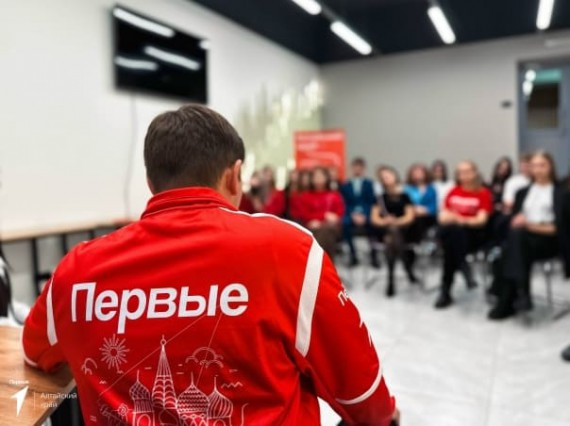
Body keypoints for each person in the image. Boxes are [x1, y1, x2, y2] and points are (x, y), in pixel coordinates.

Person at [22, 105, 397, 425]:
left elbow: (35, 353)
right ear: (235, 175)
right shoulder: (289, 251)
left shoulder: (77, 269)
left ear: (152, 182)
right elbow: (363, 396)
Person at [488, 151, 570, 319]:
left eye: (542, 165)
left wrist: (529, 225)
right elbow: (514, 220)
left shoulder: (561, 194)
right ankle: (521, 295)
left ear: (551, 167)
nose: (537, 170)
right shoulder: (522, 192)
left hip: (549, 242)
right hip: (523, 243)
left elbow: (559, 229)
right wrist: (516, 220)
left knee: (510, 247)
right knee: (515, 241)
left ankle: (510, 296)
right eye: (534, 166)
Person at [435, 161, 493, 309]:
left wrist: (459, 219)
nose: (464, 175)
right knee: (451, 232)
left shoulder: (483, 193)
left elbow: (481, 220)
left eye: (467, 171)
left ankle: (445, 291)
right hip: (452, 235)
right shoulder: (453, 191)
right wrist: (456, 219)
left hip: (472, 236)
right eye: (460, 172)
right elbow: (442, 217)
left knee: (451, 241)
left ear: (475, 173)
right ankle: (463, 266)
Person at [370, 166, 416, 297]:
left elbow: (410, 216)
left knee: (392, 237)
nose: (387, 178)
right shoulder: (379, 198)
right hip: (384, 230)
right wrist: (385, 221)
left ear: (395, 176)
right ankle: (406, 266)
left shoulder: (405, 196)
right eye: (383, 177)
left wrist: (395, 221)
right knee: (391, 236)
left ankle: (390, 278)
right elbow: (374, 218)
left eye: (388, 175)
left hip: (404, 231)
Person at [300, 167, 346, 259]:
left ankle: (318, 259)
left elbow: (339, 213)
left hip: (330, 227)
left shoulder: (334, 195)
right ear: (311, 179)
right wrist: (324, 216)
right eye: (316, 177)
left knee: (327, 230)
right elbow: (304, 214)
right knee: (322, 232)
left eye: (321, 176)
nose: (318, 179)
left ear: (326, 178)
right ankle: (327, 261)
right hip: (311, 226)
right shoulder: (305, 196)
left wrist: (322, 221)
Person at [341, 158, 378, 267]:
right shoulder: (345, 185)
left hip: (366, 213)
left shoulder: (369, 184)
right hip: (351, 213)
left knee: (374, 224)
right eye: (355, 167)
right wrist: (352, 214)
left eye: (360, 167)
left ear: (364, 169)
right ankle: (353, 254)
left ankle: (374, 254)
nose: (357, 169)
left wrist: (365, 215)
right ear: (352, 168)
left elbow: (371, 202)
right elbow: (344, 203)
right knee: (345, 224)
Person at [404, 163, 438, 240]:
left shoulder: (431, 189)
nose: (417, 175)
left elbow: (434, 206)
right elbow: (405, 204)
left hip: (429, 216)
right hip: (413, 215)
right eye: (415, 173)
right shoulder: (407, 189)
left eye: (420, 173)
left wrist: (425, 210)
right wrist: (414, 209)